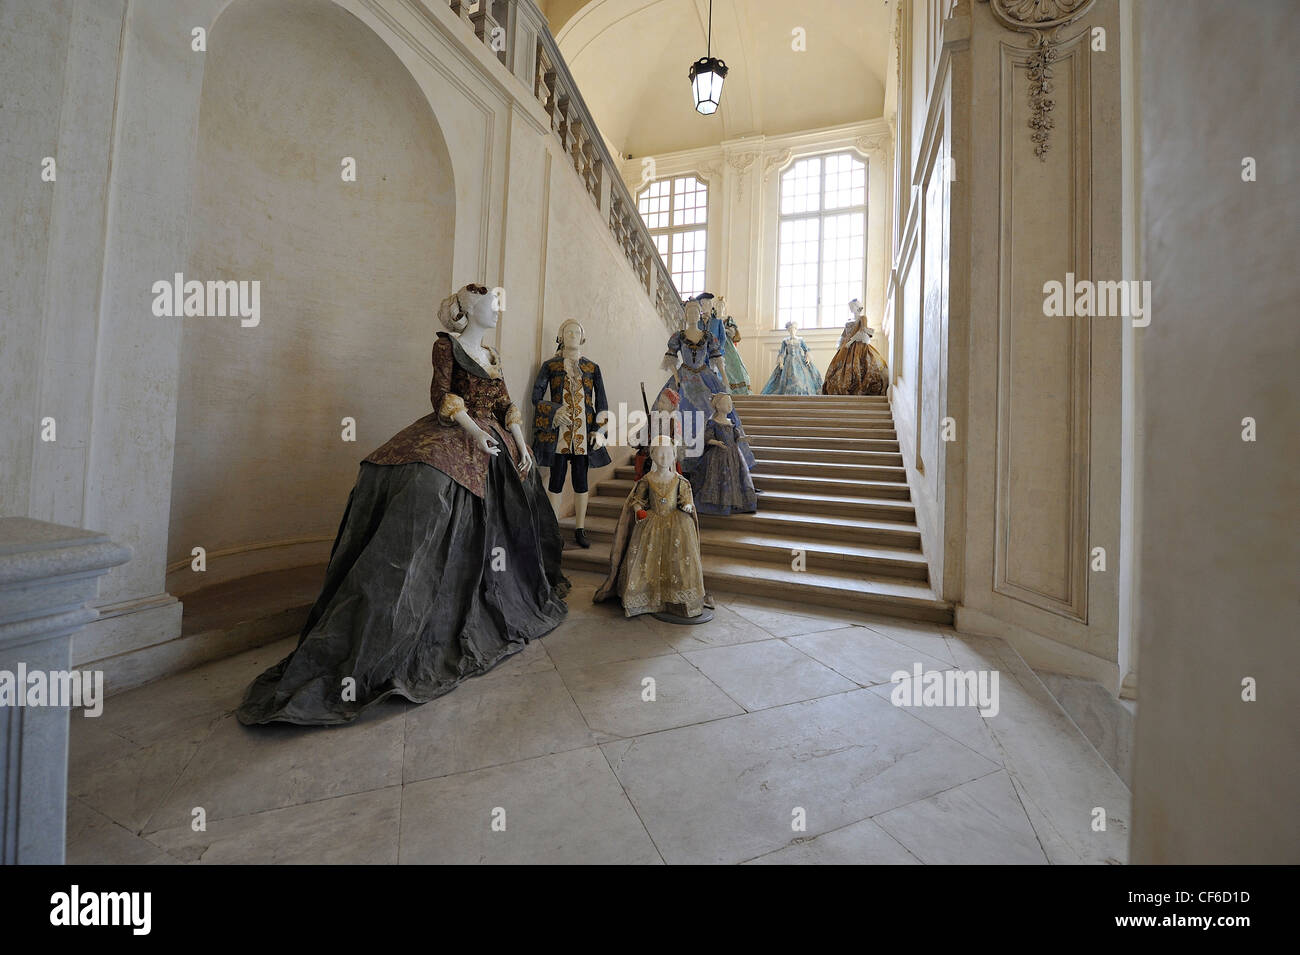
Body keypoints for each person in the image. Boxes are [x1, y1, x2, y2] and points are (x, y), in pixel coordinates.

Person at [237, 284, 569, 726]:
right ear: (469, 308)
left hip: (499, 443)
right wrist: (473, 433)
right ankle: (389, 621)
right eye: (490, 303)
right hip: (462, 430)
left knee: (512, 505)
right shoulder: (445, 347)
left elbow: (508, 404)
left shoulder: (493, 355)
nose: (497, 309)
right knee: (420, 482)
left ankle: (498, 595)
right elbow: (443, 397)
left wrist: (521, 443)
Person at [594, 435, 709, 619]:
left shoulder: (680, 480)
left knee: (677, 560)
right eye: (660, 454)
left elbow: (685, 498)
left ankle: (675, 598)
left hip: (676, 523)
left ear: (674, 456)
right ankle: (647, 597)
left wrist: (687, 505)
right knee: (646, 558)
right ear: (653, 456)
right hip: (651, 522)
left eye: (668, 454)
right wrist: (638, 509)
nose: (664, 458)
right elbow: (638, 499)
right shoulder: (647, 479)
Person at [531, 318, 610, 549]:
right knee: (555, 479)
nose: (572, 335)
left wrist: (599, 430)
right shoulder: (550, 366)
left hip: (584, 435)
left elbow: (602, 402)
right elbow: (536, 398)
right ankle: (553, 529)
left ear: (583, 337)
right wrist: (554, 411)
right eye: (568, 332)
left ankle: (579, 528)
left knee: (581, 481)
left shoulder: (592, 368)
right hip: (558, 434)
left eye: (576, 332)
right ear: (561, 336)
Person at [692, 393, 758, 515]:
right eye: (726, 403)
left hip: (733, 454)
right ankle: (717, 503)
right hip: (718, 455)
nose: (729, 406)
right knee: (720, 476)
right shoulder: (713, 422)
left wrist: (745, 439)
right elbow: (707, 438)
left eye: (730, 403)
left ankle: (733, 502)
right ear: (717, 405)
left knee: (733, 477)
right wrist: (716, 442)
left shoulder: (730, 422)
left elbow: (736, 437)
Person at [822, 298, 889, 395]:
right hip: (846, 347)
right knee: (839, 368)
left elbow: (863, 331)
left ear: (857, 306)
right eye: (850, 307)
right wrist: (841, 344)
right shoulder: (849, 320)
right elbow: (844, 334)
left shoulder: (862, 318)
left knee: (862, 365)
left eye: (852, 306)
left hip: (859, 346)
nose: (851, 308)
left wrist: (851, 341)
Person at [760, 320, 824, 395]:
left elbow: (806, 350)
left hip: (799, 360)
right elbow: (781, 352)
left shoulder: (800, 340)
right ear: (788, 330)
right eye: (790, 330)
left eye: (793, 329)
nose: (792, 331)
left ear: (796, 330)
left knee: (800, 378)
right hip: (788, 361)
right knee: (787, 378)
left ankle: (800, 393)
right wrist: (781, 363)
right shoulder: (785, 341)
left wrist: (807, 358)